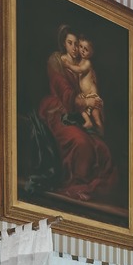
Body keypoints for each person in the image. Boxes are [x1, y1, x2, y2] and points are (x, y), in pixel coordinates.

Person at [38, 24, 118, 203]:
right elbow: (64, 92)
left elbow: (90, 88)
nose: (75, 48)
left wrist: (94, 102)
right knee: (82, 143)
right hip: (59, 111)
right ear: (63, 43)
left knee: (103, 150)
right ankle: (75, 185)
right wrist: (86, 102)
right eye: (70, 43)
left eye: (77, 44)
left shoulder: (82, 64)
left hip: (80, 115)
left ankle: (85, 191)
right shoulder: (56, 61)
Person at [62, 35, 104, 134]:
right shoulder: (80, 61)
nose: (82, 51)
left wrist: (68, 65)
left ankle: (100, 129)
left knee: (96, 115)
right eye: (81, 47)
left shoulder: (87, 63)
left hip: (92, 94)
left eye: (86, 49)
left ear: (91, 53)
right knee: (80, 108)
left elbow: (79, 70)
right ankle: (88, 122)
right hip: (85, 95)